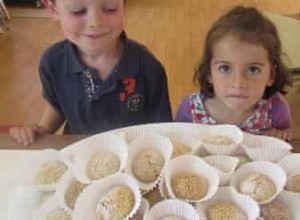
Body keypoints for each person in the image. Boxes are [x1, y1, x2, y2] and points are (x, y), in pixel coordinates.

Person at [10, 0, 172, 145]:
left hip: (131, 156)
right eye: (78, 10)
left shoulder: (149, 68)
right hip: (79, 153)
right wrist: (43, 131)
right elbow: (57, 105)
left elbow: (162, 131)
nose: (95, 22)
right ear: (53, 8)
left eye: (110, 8)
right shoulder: (52, 62)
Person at [175, 6, 293, 141]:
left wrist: (280, 134)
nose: (238, 83)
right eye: (225, 68)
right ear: (209, 72)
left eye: (253, 70)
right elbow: (178, 143)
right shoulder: (189, 111)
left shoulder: (276, 110)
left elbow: (284, 138)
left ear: (271, 75)